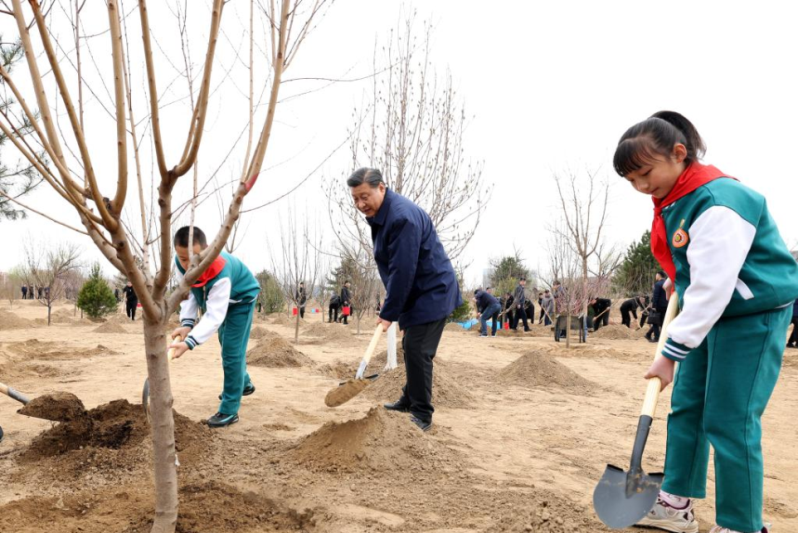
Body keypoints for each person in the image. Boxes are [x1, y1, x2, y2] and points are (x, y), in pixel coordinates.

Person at [615, 111, 798, 533]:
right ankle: (675, 503)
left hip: (752, 314)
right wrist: (676, 280)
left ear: (679, 154)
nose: (641, 186)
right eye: (631, 181)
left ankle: (741, 524)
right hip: (712, 312)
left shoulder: (718, 201)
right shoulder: (676, 196)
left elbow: (714, 286)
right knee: (688, 408)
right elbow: (698, 265)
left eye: (645, 173)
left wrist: (668, 356)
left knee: (730, 419)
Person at [348, 167, 461, 432]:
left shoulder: (401, 219)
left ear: (382, 188)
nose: (360, 204)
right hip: (418, 292)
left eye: (365, 196)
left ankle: (422, 414)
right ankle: (409, 399)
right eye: (355, 199)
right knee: (411, 345)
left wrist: (389, 313)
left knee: (418, 350)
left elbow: (403, 270)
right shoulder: (384, 216)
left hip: (432, 291)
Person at [168, 226, 261, 428]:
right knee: (225, 343)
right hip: (219, 302)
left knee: (231, 351)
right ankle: (242, 383)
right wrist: (186, 324)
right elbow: (190, 293)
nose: (188, 264)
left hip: (241, 299)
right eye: (183, 258)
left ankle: (229, 410)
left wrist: (190, 342)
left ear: (207, 249)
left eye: (194, 257)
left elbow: (214, 315)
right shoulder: (180, 263)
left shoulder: (221, 271)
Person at [646, 271, 668, 342]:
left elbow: (656, 296)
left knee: (654, 321)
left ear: (659, 275)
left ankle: (657, 337)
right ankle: (648, 334)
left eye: (656, 275)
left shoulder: (658, 284)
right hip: (667, 305)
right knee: (662, 322)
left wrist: (654, 306)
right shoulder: (668, 283)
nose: (656, 276)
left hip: (659, 306)